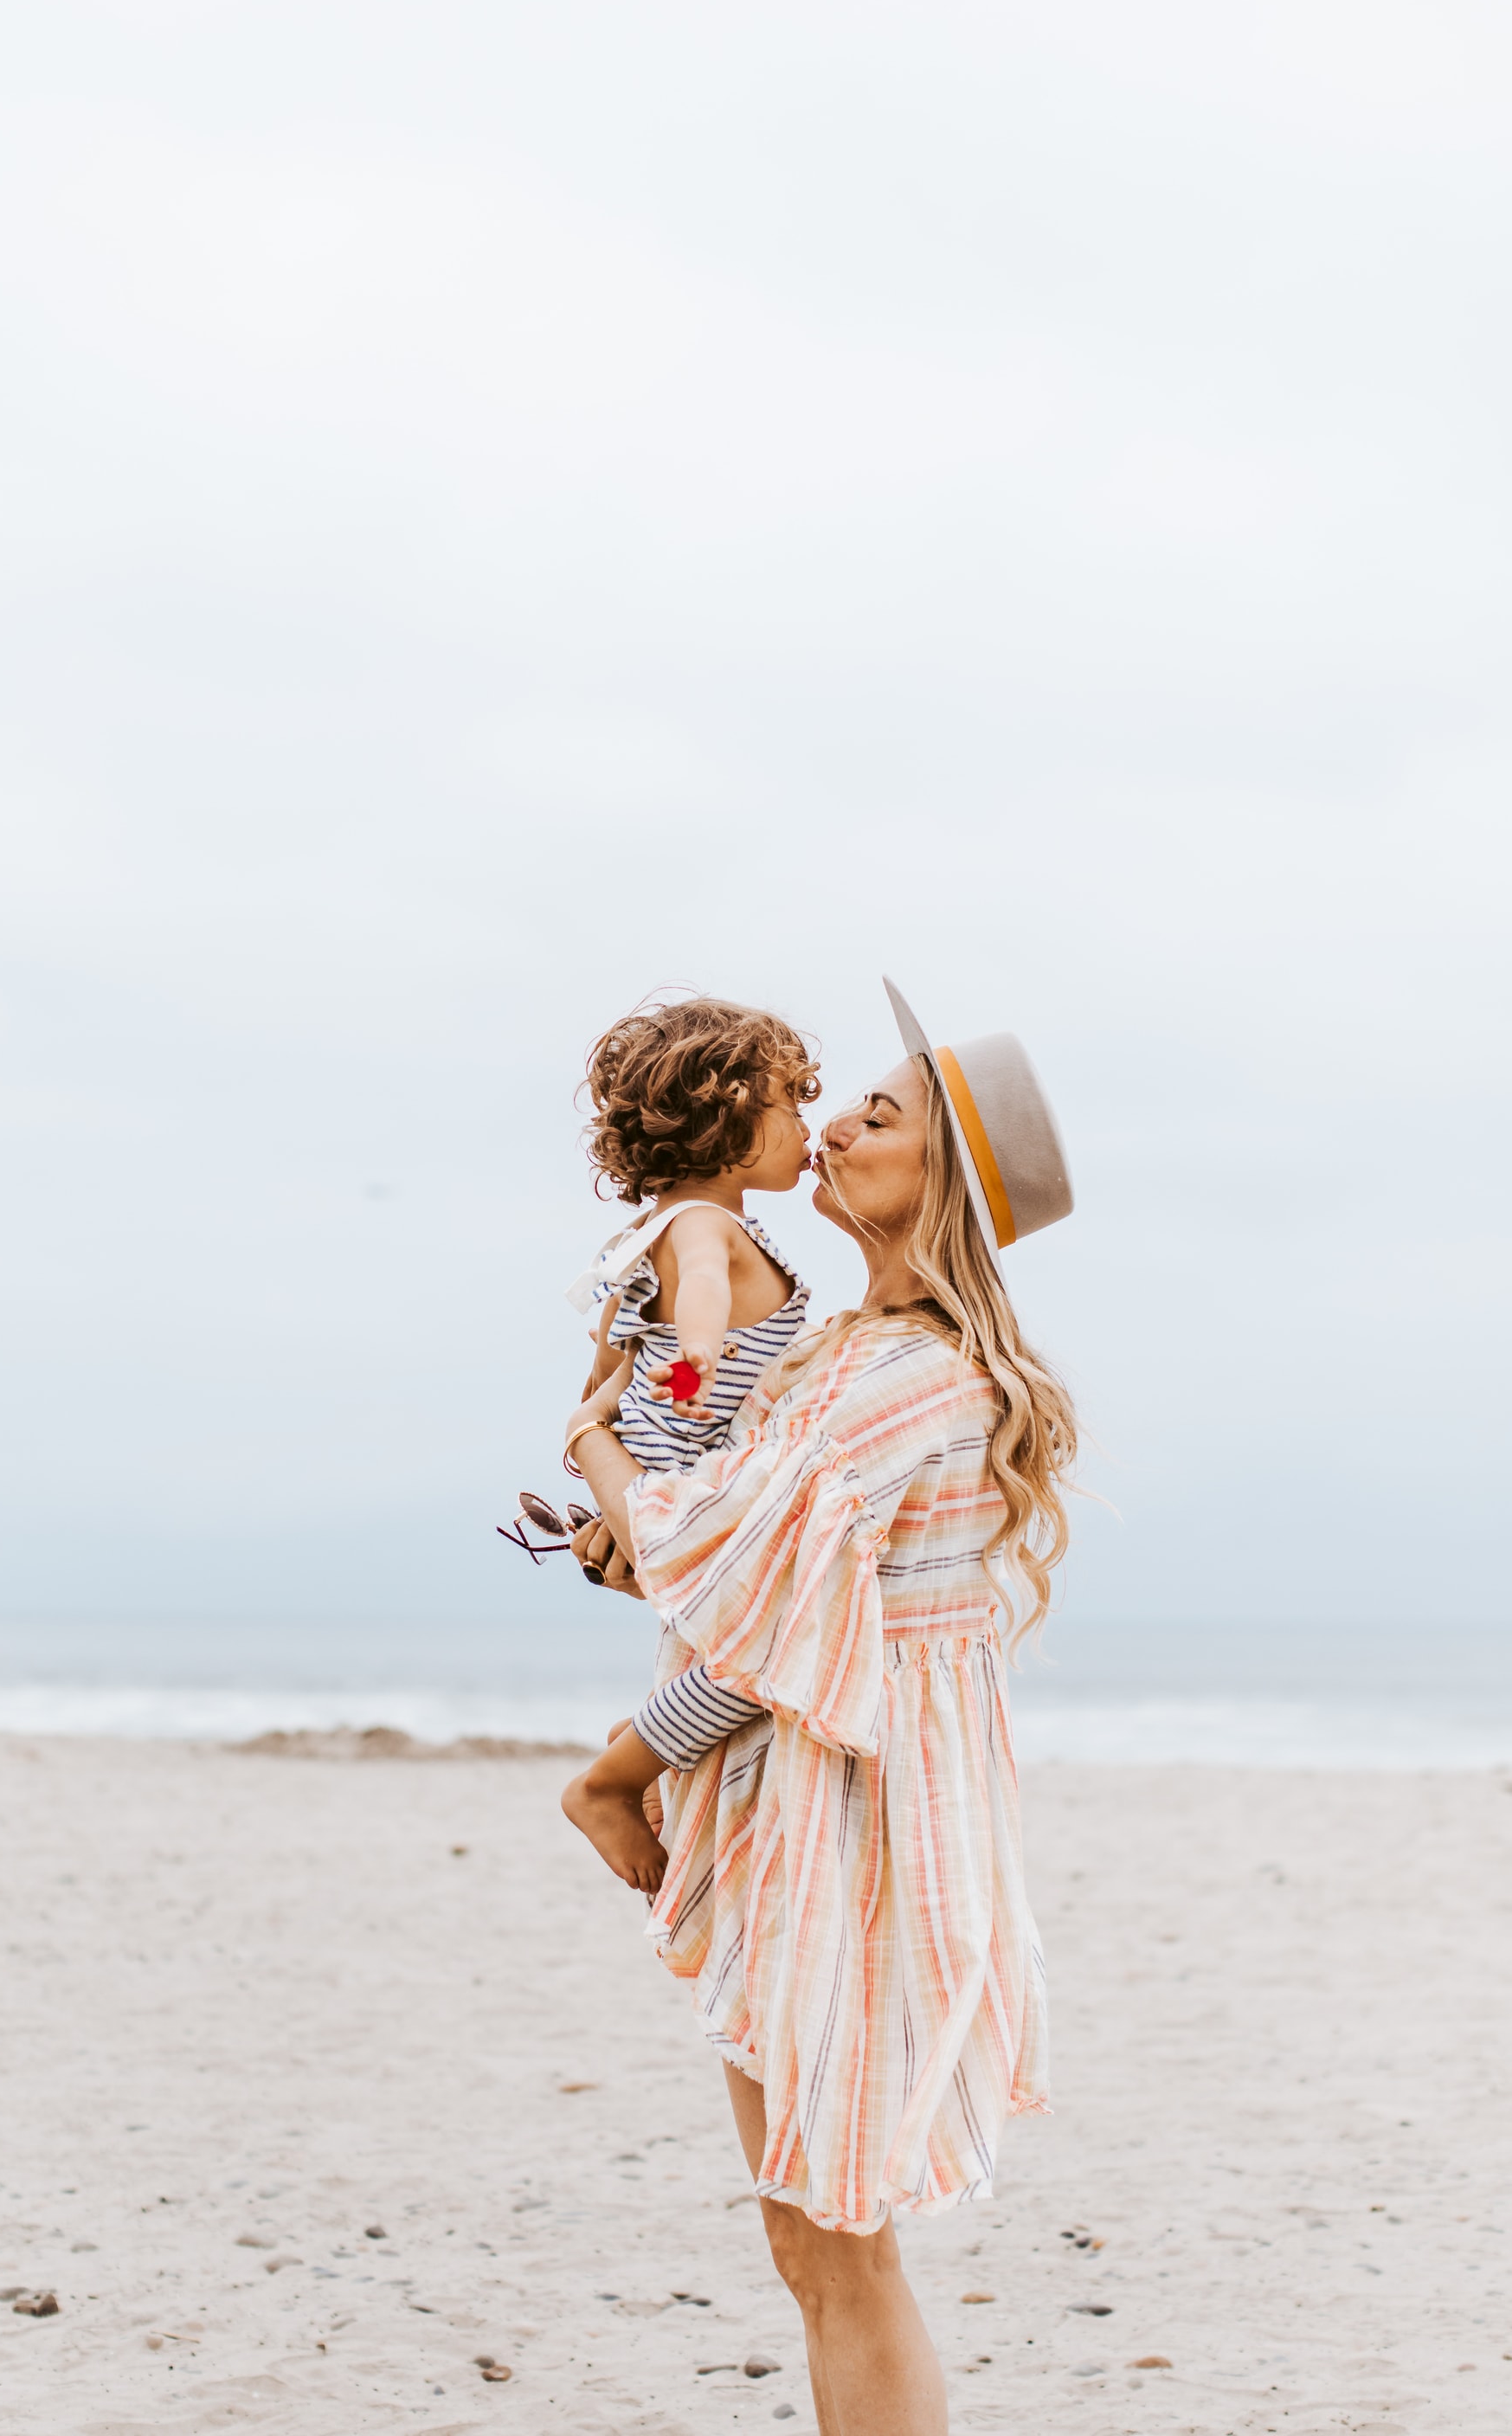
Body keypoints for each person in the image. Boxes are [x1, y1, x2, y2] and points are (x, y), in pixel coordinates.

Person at [561, 980, 1078, 2436]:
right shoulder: (835, 1351)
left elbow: (753, 1609)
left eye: (883, 1109)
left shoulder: (906, 1379)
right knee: (813, 2246)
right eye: (843, 1096)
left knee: (838, 2250)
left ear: (946, 1182)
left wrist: (597, 1457)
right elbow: (725, 1580)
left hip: (850, 1845)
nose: (839, 1118)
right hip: (809, 1824)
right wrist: (639, 1522)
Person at [557, 996, 821, 1891]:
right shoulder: (703, 1228)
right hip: (692, 1471)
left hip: (676, 1459)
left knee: (742, 1647)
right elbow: (701, 1294)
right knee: (774, 1644)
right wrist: (695, 1358)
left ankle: (644, 1743)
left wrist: (601, 1448)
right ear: (733, 1111)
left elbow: (603, 1359)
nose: (805, 1127)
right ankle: (615, 1779)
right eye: (792, 1105)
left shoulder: (650, 1231)